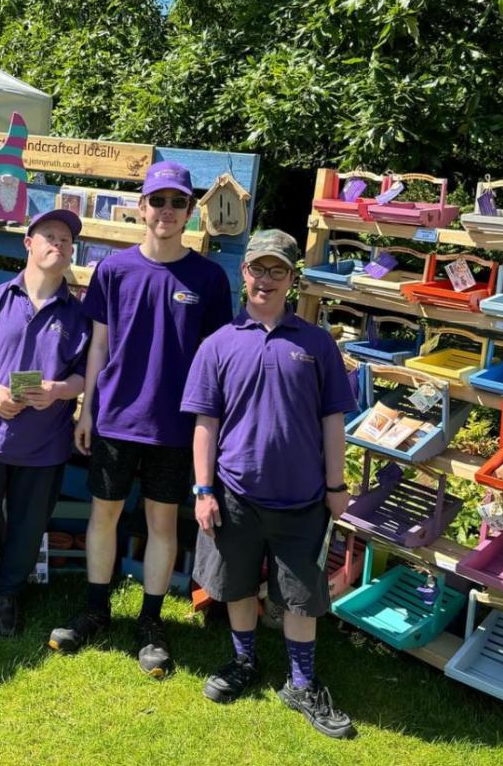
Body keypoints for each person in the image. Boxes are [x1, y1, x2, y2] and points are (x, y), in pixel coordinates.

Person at [48, 161, 232, 677]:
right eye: (158, 201)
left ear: (190, 212)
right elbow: (99, 345)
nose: (166, 211)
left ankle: (151, 623)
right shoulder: (113, 271)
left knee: (160, 523)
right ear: (141, 207)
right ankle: (95, 609)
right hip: (114, 420)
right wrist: (86, 410)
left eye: (177, 203)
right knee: (102, 516)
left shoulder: (209, 278)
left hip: (175, 427)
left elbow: (216, 357)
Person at [181, 229, 357, 739]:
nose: (266, 279)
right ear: (244, 273)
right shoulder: (218, 344)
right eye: (258, 268)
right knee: (235, 584)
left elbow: (332, 421)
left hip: (302, 499)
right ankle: (245, 661)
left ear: (290, 278)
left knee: (302, 596)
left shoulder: (316, 343)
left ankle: (302, 682)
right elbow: (205, 423)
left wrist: (336, 485)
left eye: (277, 270)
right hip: (234, 494)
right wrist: (203, 490)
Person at [0, 209, 90, 637]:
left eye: (65, 241)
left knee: (28, 526)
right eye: (49, 236)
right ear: (28, 243)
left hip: (42, 442)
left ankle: (9, 594)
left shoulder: (77, 315)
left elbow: (86, 372)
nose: (58, 245)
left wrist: (61, 391)